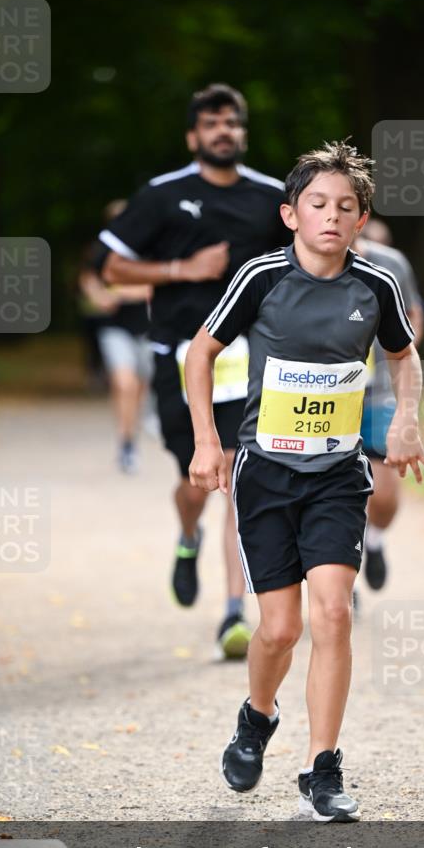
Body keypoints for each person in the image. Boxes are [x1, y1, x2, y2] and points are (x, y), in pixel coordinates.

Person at [186, 141, 424, 821]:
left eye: (345, 208)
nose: (331, 217)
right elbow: (200, 352)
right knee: (278, 629)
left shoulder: (375, 285)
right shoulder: (260, 278)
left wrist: (405, 423)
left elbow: (402, 358)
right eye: (317, 205)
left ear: (360, 221)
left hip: (335, 473)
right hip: (265, 473)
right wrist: (207, 443)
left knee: (331, 613)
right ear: (290, 214)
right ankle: (255, 717)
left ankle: (321, 768)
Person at [96, 83, 288, 659]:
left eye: (231, 122)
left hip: (249, 360)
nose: (222, 131)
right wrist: (183, 268)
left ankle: (232, 613)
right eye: (211, 123)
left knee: (233, 477)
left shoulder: (273, 198)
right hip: (180, 357)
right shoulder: (162, 195)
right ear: (193, 136)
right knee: (193, 483)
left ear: (243, 132)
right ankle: (186, 536)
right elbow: (111, 269)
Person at [353, 228, 424, 592]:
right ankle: (341, 577)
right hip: (327, 401)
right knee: (334, 496)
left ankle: (375, 540)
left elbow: (414, 317)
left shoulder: (391, 264)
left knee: (384, 497)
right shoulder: (297, 267)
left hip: (379, 394)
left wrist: (399, 350)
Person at [80, 201, 153, 473]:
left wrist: (120, 292)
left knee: (142, 385)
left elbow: (154, 286)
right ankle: (126, 443)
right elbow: (88, 279)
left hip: (147, 328)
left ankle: (136, 424)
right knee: (124, 384)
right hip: (114, 329)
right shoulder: (101, 250)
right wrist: (98, 296)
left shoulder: (148, 248)